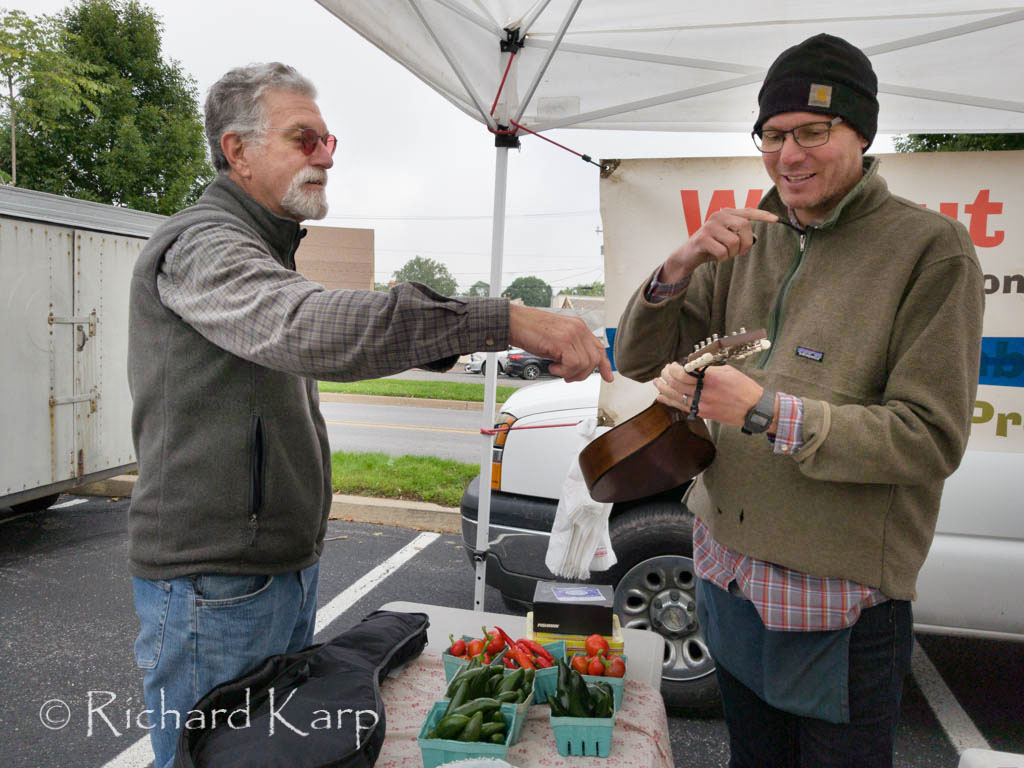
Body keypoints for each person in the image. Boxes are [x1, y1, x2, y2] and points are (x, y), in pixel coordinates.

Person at [127, 61, 611, 768]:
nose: (325, 155)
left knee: (272, 754)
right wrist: (500, 320)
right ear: (237, 151)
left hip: (271, 572)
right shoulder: (202, 246)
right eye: (304, 139)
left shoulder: (265, 248)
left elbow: (332, 326)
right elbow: (313, 328)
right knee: (216, 757)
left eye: (330, 141)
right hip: (216, 585)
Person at [614, 34, 984, 768]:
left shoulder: (930, 250)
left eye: (815, 132)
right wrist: (678, 265)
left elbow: (930, 439)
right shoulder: (745, 242)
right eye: (774, 135)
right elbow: (637, 358)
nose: (790, 155)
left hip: (837, 602)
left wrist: (762, 410)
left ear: (863, 134)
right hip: (726, 572)